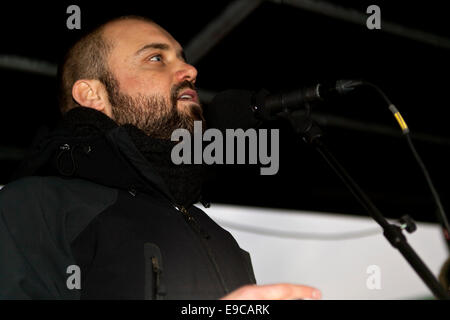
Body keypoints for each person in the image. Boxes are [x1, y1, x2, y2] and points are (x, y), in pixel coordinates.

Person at [0, 15, 321, 300]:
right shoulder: (33, 206)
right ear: (92, 95)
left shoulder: (219, 237)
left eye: (183, 58)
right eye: (156, 57)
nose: (191, 70)